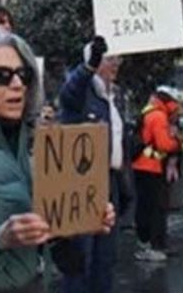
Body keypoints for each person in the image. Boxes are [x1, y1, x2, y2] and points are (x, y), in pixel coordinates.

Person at [0, 26, 116, 292]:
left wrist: (82, 218)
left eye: (23, 74)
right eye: (2, 76)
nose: (17, 84)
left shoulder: (28, 143)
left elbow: (42, 229)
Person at [56, 36, 125, 293]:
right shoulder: (82, 92)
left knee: (105, 257)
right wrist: (88, 67)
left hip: (110, 182)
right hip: (83, 182)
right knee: (81, 254)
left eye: (118, 58)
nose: (116, 63)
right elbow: (69, 92)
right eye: (110, 59)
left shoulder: (114, 97)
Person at [130, 84, 182, 262]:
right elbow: (164, 144)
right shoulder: (159, 116)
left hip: (144, 166)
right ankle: (155, 245)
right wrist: (177, 141)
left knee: (146, 206)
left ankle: (150, 242)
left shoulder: (149, 112)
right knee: (156, 208)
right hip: (152, 168)